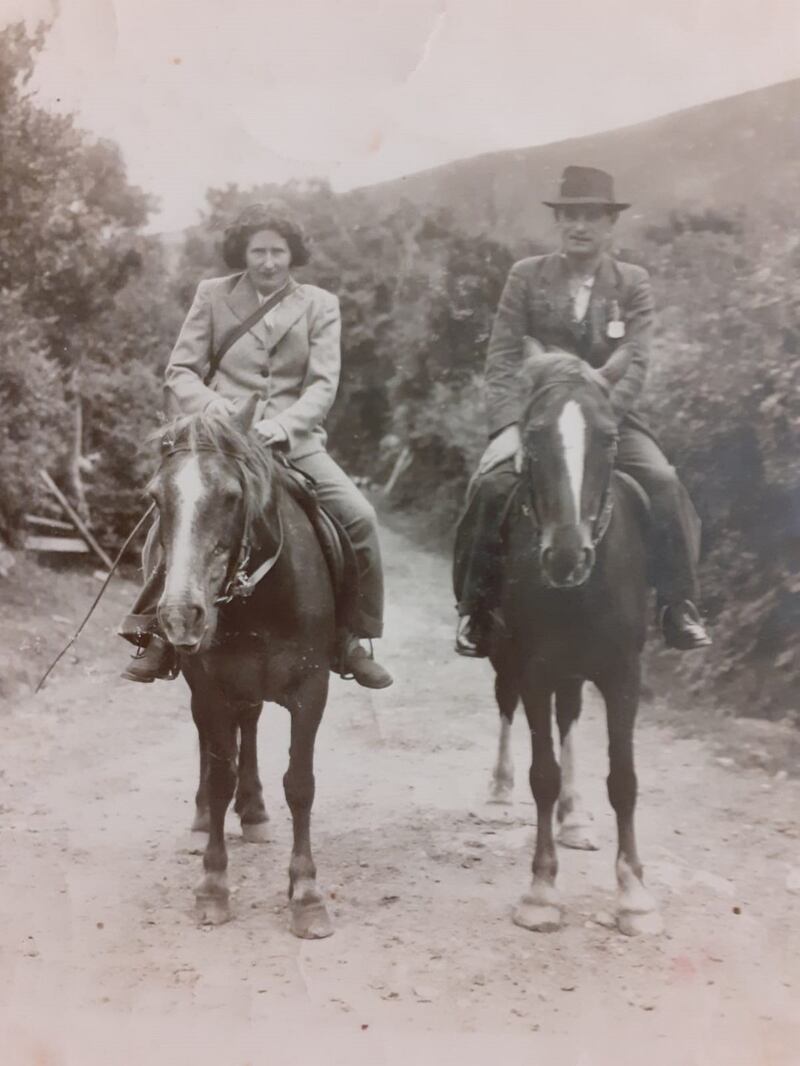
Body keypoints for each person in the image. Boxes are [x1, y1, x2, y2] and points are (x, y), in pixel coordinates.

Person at [119, 201, 393, 689]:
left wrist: (283, 426)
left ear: (293, 254)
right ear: (242, 254)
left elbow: (323, 385)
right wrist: (211, 407)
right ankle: (156, 633)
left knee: (360, 519)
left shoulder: (320, 304)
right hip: (221, 442)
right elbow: (180, 370)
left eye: (278, 252)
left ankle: (353, 637)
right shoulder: (212, 295)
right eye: (258, 251)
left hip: (291, 442)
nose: (268, 262)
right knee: (171, 518)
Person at [453, 165, 712, 656]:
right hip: (540, 421)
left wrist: (600, 419)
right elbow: (503, 357)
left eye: (591, 216)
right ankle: (476, 609)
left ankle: (679, 606)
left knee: (663, 481)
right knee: (489, 488)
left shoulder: (632, 282)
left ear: (610, 224)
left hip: (608, 418)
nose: (580, 226)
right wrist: (507, 428)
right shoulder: (525, 276)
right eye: (570, 215)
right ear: (558, 222)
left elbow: (635, 361)